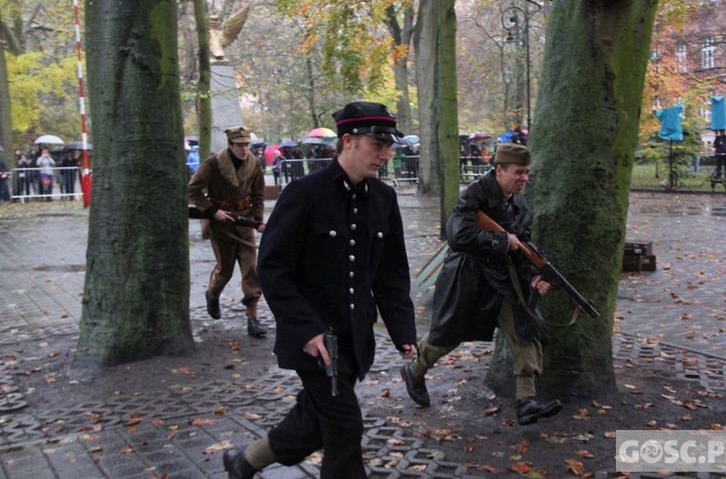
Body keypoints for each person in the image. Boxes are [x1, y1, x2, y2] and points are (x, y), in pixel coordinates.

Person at [222, 101, 418, 478]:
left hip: (355, 338)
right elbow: (273, 269)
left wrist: (403, 331)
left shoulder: (384, 198)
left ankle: (245, 461)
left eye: (388, 145)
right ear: (347, 141)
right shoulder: (304, 194)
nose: (385, 153)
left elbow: (391, 274)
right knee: (345, 426)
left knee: (316, 418)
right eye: (376, 144)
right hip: (313, 340)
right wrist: (306, 328)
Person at [400, 144, 562, 426]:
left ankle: (526, 401)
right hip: (469, 278)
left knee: (525, 330)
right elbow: (458, 235)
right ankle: (415, 370)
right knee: (448, 334)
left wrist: (533, 277)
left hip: (504, 282)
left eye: (527, 173)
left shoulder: (521, 203)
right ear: (500, 170)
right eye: (518, 172)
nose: (524, 178)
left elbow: (523, 248)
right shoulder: (475, 193)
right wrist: (501, 241)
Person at [187, 126, 268, 338]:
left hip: (245, 221)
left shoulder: (255, 163)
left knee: (251, 269)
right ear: (230, 145)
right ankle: (212, 294)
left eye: (247, 145)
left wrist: (258, 220)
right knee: (225, 270)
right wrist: (213, 211)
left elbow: (259, 194)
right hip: (221, 225)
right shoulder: (213, 164)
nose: (244, 149)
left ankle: (252, 317)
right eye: (240, 145)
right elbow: (193, 190)